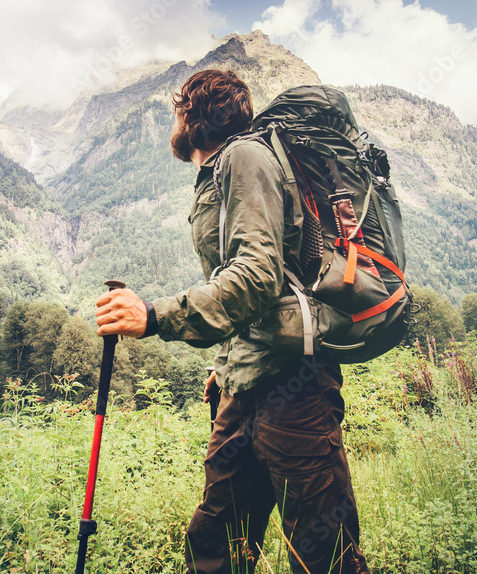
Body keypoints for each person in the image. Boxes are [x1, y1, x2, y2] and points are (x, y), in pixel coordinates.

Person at [95, 69, 371, 574]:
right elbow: (250, 277)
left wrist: (154, 316)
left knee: (324, 557)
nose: (173, 122)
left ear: (195, 117)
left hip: (296, 392)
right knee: (218, 542)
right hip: (241, 390)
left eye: (178, 110)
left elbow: (257, 274)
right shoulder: (222, 170)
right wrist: (225, 363)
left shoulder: (245, 156)